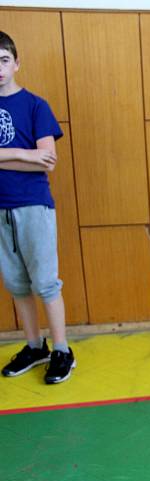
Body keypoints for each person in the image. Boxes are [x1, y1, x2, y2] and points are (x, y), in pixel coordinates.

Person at [0, 31, 75, 384]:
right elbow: (33, 156)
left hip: (33, 206)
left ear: (16, 63)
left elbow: (47, 160)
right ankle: (35, 346)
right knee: (16, 284)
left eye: (3, 60)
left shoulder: (35, 106)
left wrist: (30, 157)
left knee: (45, 282)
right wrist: (21, 153)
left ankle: (61, 349)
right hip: (1, 211)